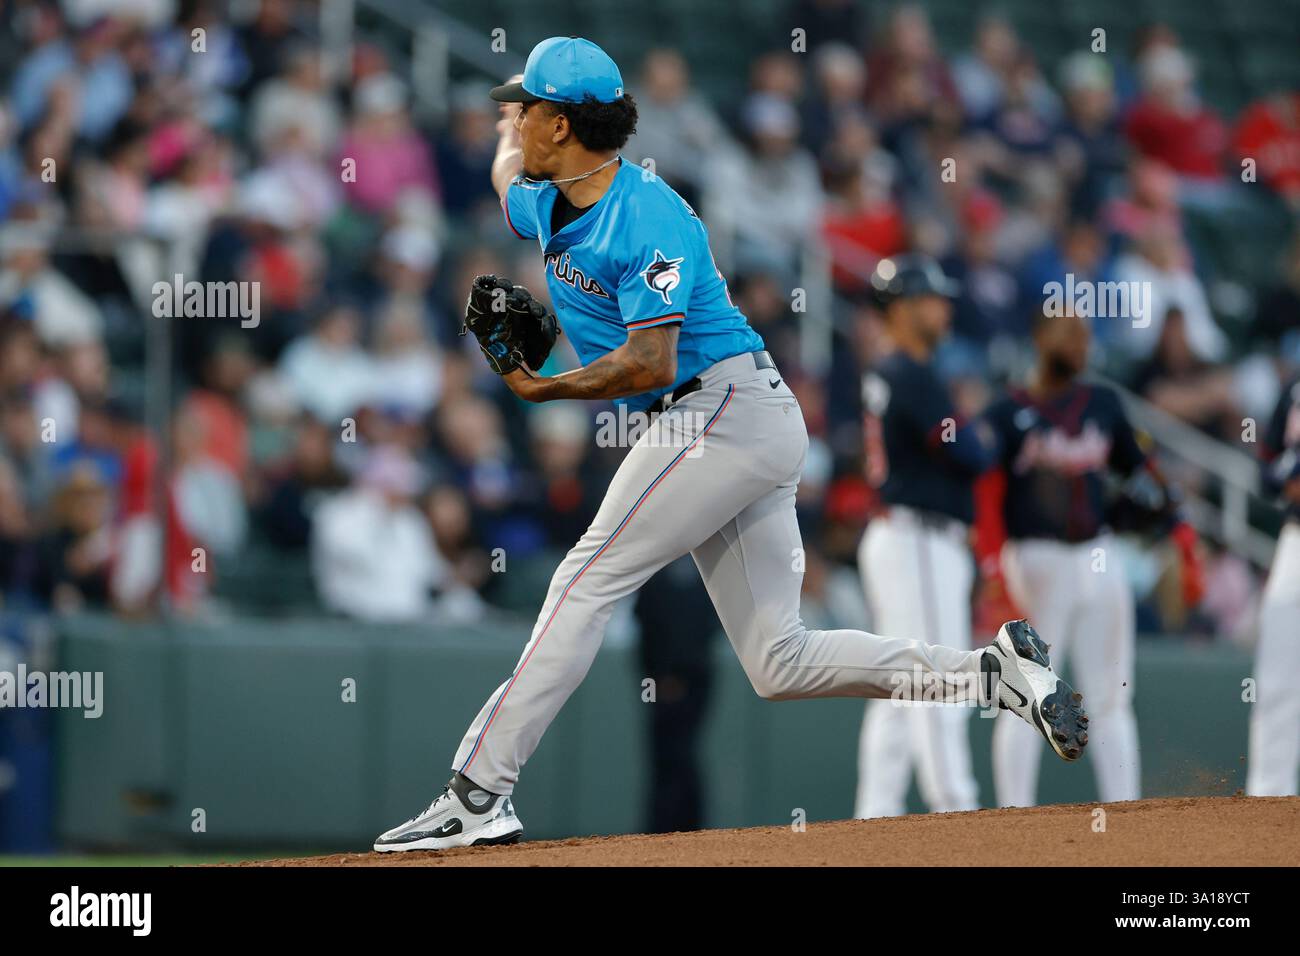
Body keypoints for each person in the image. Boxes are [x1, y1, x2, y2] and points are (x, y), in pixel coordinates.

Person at [373, 38, 1088, 853]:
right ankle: (991, 675)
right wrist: (509, 128)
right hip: (730, 421)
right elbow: (508, 176)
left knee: (586, 579)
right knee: (778, 661)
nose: (519, 119)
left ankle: (478, 790)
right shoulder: (547, 195)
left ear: (563, 125)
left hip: (718, 406)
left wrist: (542, 390)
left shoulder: (649, 213)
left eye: (530, 108)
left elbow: (652, 359)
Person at [979, 307, 1185, 806]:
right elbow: (983, 492)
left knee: (1112, 694)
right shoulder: (1005, 413)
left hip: (1098, 554)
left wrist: (1172, 526)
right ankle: (1013, 814)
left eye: (1085, 335)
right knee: (1026, 691)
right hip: (1034, 557)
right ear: (1039, 335)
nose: (1080, 343)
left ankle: (1123, 809)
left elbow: (1148, 477)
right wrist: (990, 566)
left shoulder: (1105, 404)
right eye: (1069, 333)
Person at [853, 255, 992, 819]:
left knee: (899, 689)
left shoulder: (892, 371)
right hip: (918, 540)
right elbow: (972, 455)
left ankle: (874, 817)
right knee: (937, 680)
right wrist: (979, 429)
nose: (945, 307)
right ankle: (955, 809)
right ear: (905, 308)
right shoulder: (911, 374)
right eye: (934, 298)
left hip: (902, 537)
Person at [1247, 374, 1300, 796]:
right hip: (1296, 541)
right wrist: (1288, 473)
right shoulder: (1295, 387)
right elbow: (1264, 471)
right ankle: (1269, 799)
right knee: (1279, 679)